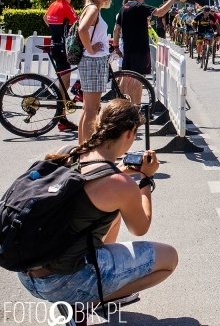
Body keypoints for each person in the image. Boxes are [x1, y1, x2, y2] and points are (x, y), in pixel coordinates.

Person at [18, 99, 178, 313]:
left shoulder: (68, 153)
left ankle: (90, 285)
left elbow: (88, 187)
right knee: (169, 258)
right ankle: (89, 301)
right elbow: (140, 228)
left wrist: (118, 172)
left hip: (27, 272)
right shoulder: (119, 184)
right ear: (130, 133)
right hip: (64, 283)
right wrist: (145, 179)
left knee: (113, 214)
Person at [113, 0, 180, 104]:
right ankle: (136, 106)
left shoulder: (124, 8)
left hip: (127, 49)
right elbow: (160, 12)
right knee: (138, 79)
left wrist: (116, 46)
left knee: (125, 77)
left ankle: (120, 105)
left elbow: (116, 29)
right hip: (140, 49)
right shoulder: (141, 7)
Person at [77, 0, 113, 145]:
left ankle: (82, 147)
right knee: (92, 110)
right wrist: (91, 49)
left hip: (92, 61)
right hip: (93, 61)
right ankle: (87, 149)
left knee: (87, 109)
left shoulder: (92, 8)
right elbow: (82, 29)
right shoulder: (93, 9)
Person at [44, 0, 80, 132]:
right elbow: (79, 25)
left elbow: (45, 18)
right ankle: (62, 117)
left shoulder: (53, 5)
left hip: (56, 45)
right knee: (64, 84)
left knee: (63, 83)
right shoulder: (66, 7)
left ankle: (62, 114)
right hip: (63, 49)